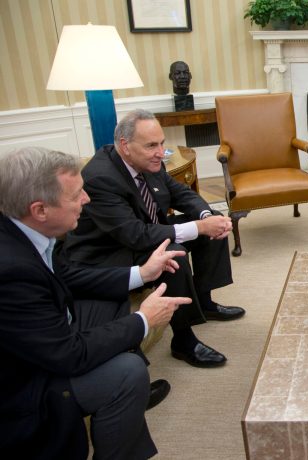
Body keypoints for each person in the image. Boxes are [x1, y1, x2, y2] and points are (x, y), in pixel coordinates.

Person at [0, 147, 192, 459]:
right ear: (39, 210)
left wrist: (141, 274)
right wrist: (143, 320)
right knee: (127, 372)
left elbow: (70, 277)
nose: (86, 200)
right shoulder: (10, 271)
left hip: (44, 335)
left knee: (110, 303)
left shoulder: (24, 231)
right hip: (22, 386)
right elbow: (66, 355)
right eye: (76, 195)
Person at [59, 109, 244, 368]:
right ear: (125, 146)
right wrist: (200, 227)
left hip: (145, 232)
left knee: (213, 229)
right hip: (111, 251)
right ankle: (183, 339)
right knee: (175, 252)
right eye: (151, 145)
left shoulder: (147, 160)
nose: (161, 152)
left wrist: (206, 216)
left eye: (162, 143)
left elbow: (179, 191)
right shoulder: (101, 178)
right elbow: (135, 235)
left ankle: (205, 302)